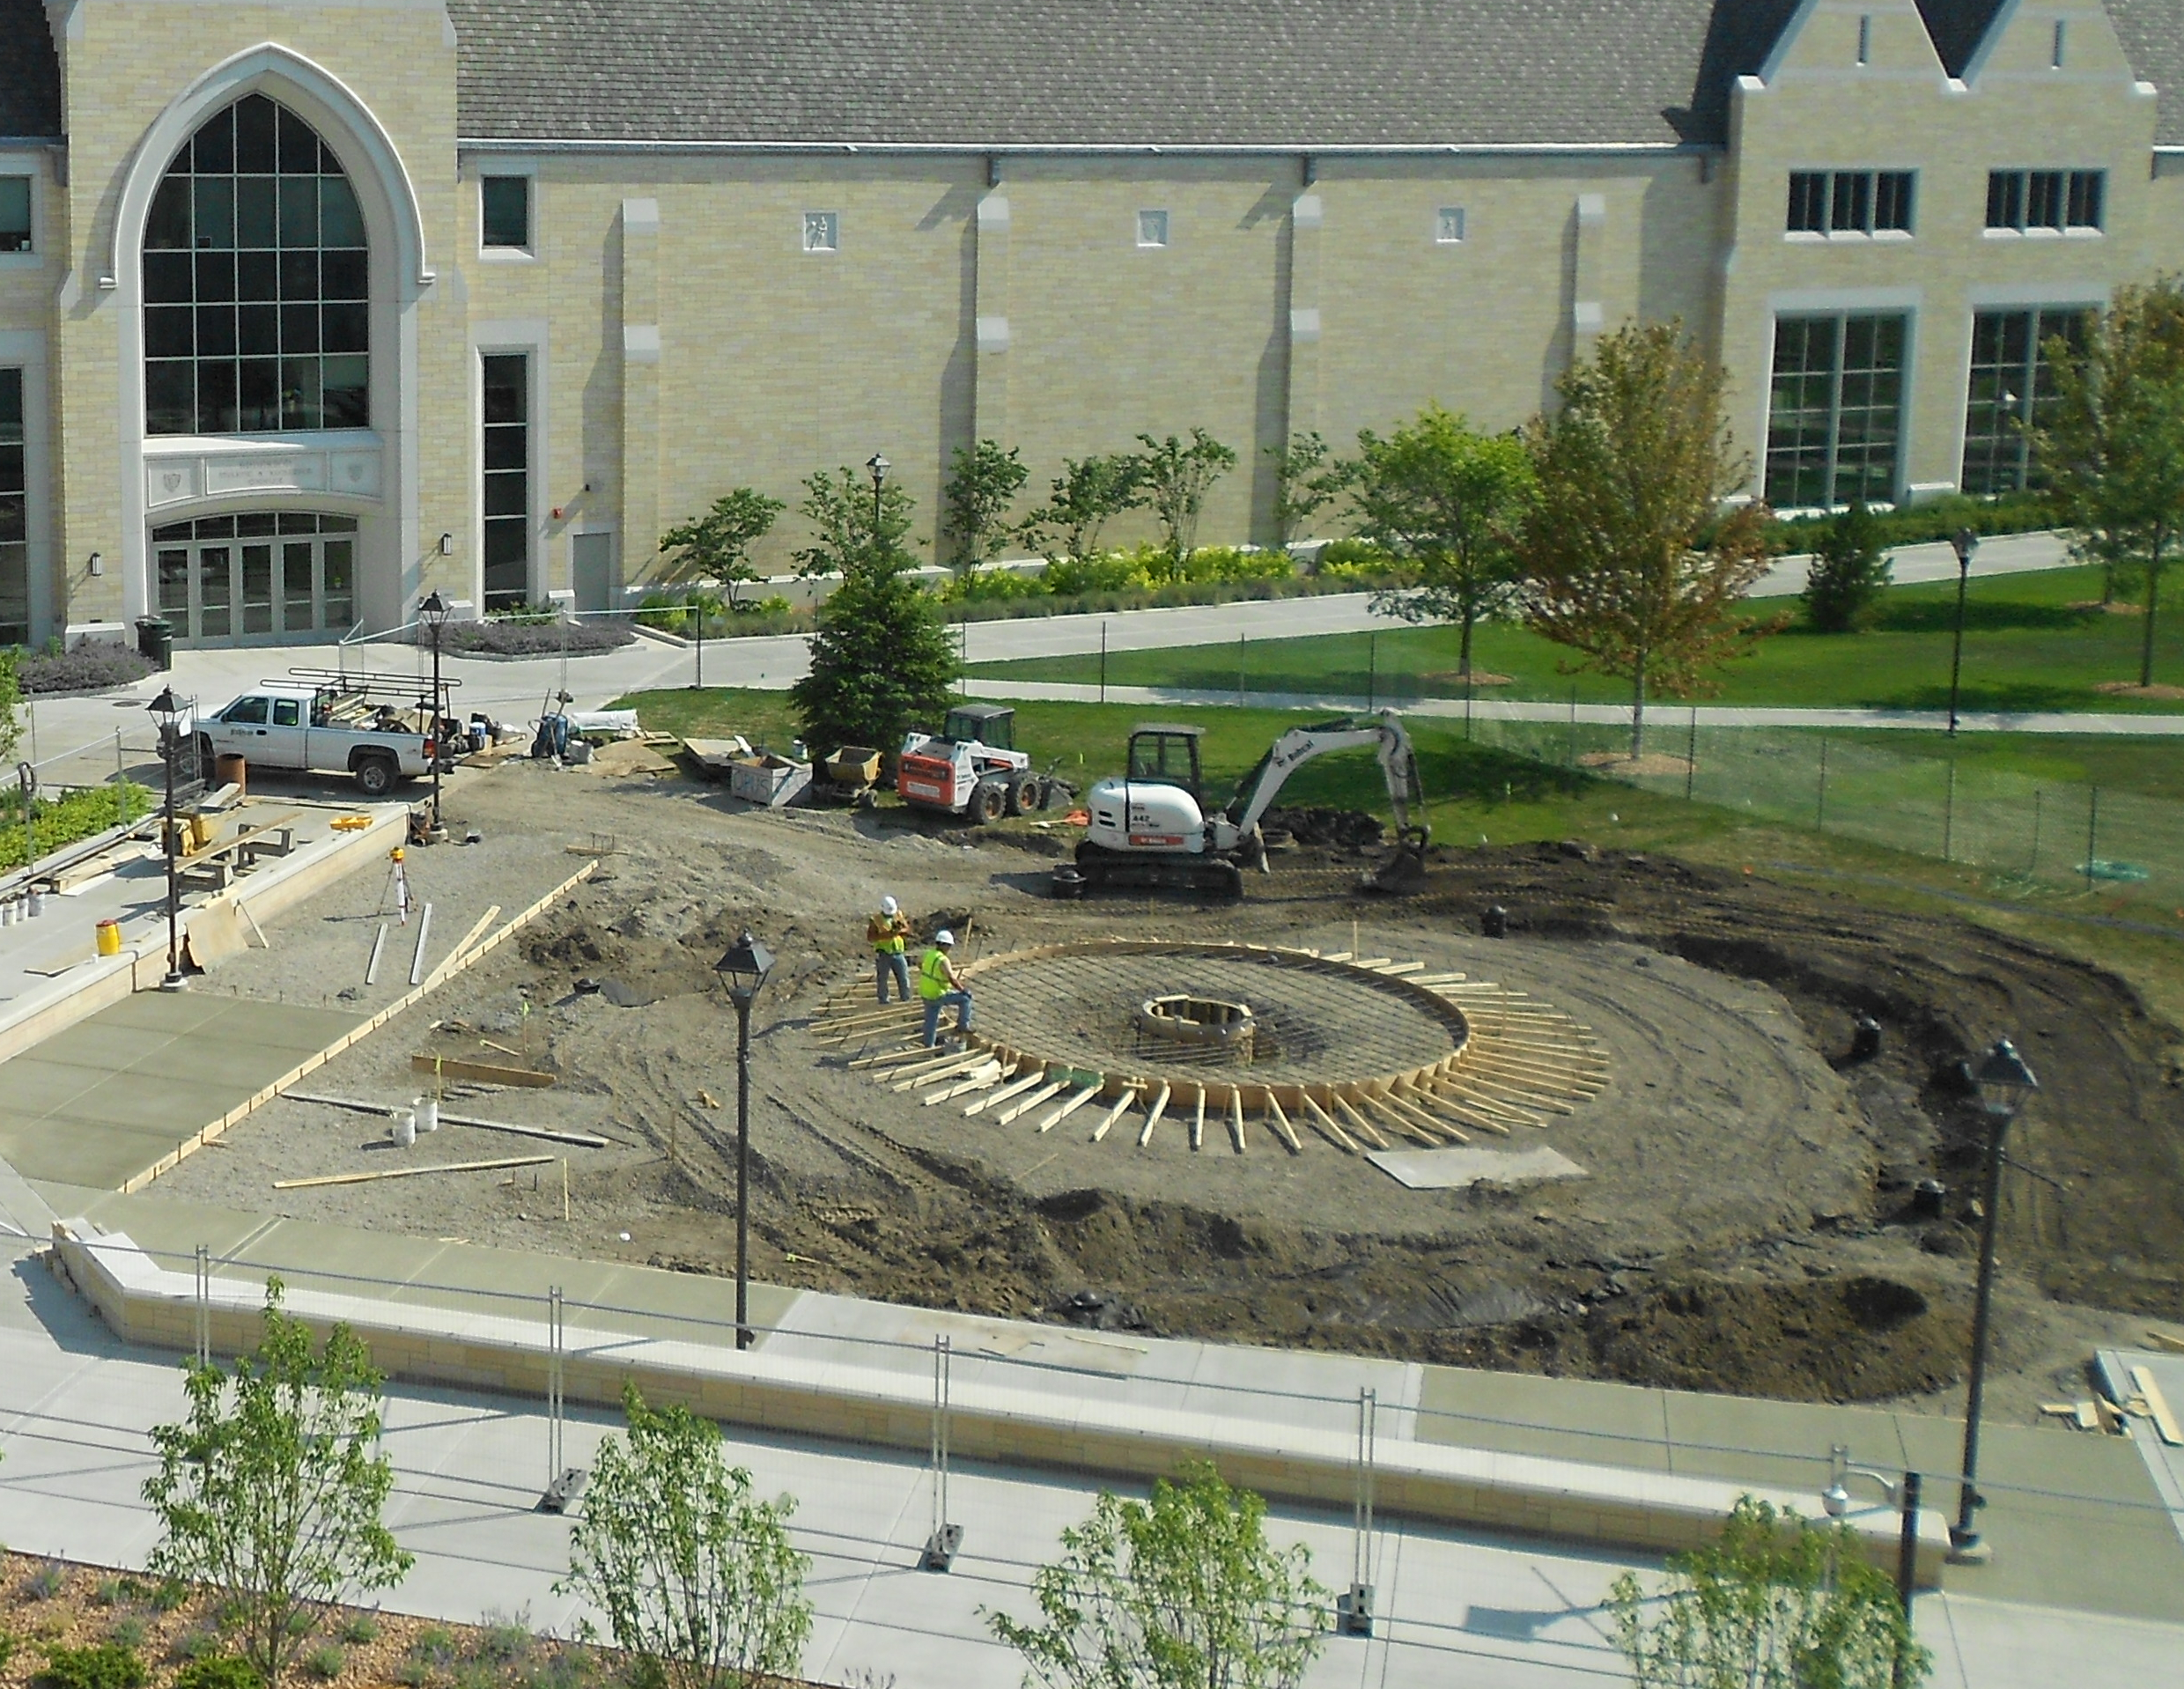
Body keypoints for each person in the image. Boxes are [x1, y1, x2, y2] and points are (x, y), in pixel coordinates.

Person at [917, 929, 973, 1046]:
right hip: (937, 994)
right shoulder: (943, 960)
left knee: (930, 1021)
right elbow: (952, 979)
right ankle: (963, 1026)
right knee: (966, 999)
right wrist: (963, 990)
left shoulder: (928, 954)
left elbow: (918, 963)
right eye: (949, 946)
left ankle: (929, 1046)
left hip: (925, 992)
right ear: (944, 945)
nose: (949, 949)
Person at [867, 894, 913, 1004]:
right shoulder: (876, 920)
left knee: (904, 977)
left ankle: (905, 999)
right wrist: (887, 935)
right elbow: (871, 937)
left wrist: (899, 931)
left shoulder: (898, 915)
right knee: (883, 979)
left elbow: (908, 930)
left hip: (898, 952)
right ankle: (884, 1001)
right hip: (884, 953)